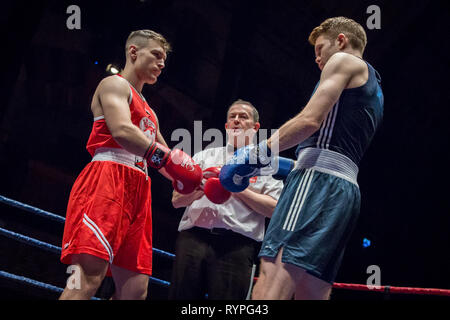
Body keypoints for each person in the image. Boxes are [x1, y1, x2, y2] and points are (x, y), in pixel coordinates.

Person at [220, 17, 384, 300]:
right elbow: (334, 149)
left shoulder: (343, 61)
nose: (318, 58)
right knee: (312, 289)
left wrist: (258, 152)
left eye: (321, 49)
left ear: (341, 41)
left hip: (315, 182)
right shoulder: (375, 87)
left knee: (272, 277)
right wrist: (285, 165)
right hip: (344, 191)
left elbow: (310, 121)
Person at [59, 29, 203, 300]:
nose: (162, 64)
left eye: (164, 59)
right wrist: (166, 160)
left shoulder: (150, 110)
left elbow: (167, 158)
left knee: (135, 291)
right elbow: (122, 130)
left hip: (139, 190)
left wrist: (199, 180)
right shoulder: (113, 85)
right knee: (88, 276)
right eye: (156, 55)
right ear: (134, 52)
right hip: (107, 180)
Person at [168, 100, 287, 300]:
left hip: (237, 246)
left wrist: (235, 184)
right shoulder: (205, 156)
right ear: (226, 126)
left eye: (243, 117)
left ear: (256, 128)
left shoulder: (266, 166)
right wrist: (205, 186)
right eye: (232, 117)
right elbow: (176, 200)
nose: (236, 121)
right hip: (193, 239)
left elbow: (275, 209)